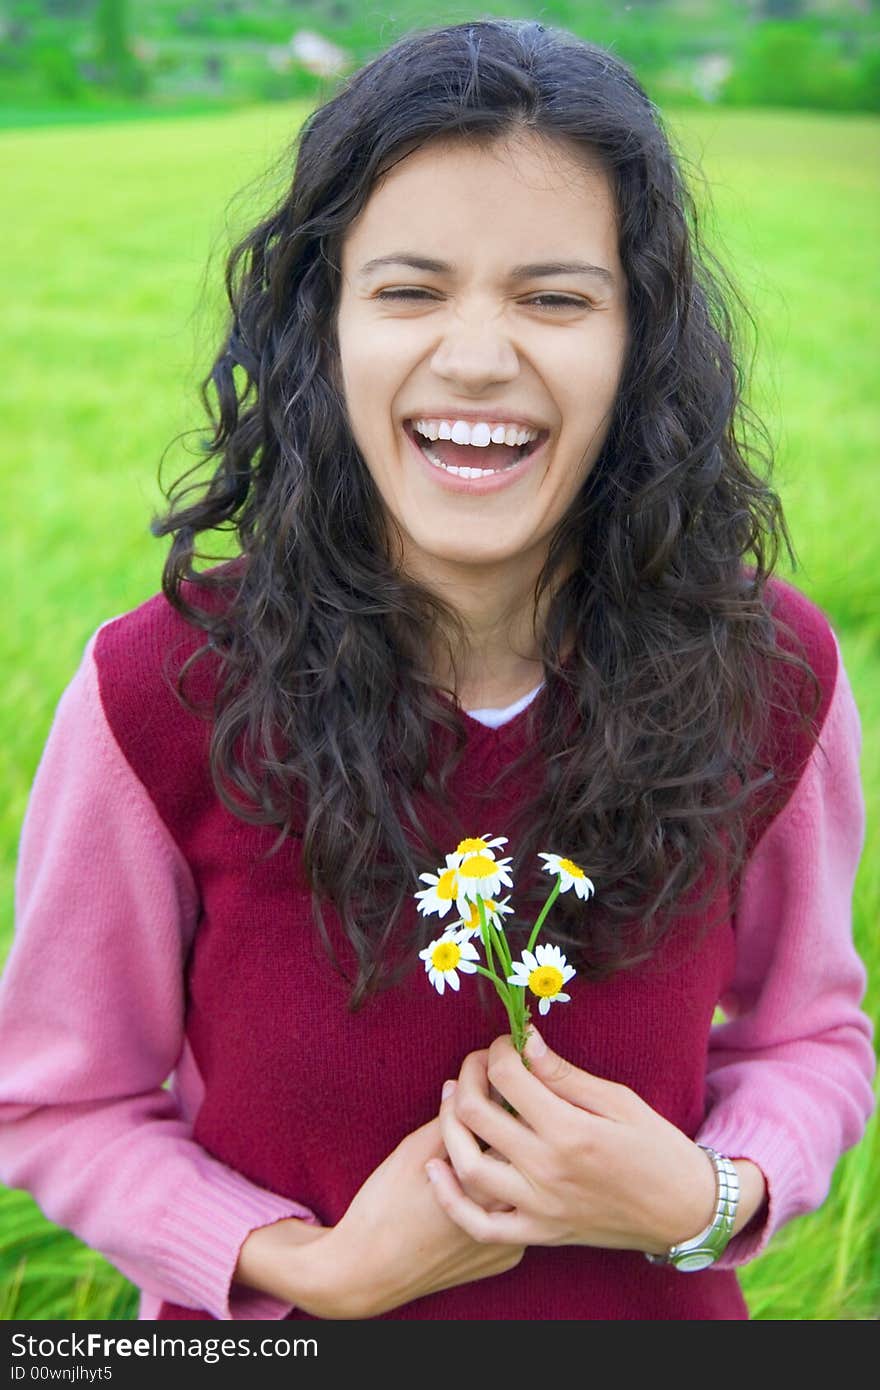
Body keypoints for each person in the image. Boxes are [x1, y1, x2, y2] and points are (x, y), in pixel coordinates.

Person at [0, 18, 874, 1323]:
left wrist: (706, 1194)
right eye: (409, 289)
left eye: (555, 296)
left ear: (638, 342)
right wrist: (316, 1266)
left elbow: (810, 1037)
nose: (477, 355)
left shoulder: (772, 671)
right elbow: (57, 1102)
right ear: (324, 324)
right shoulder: (159, 687)